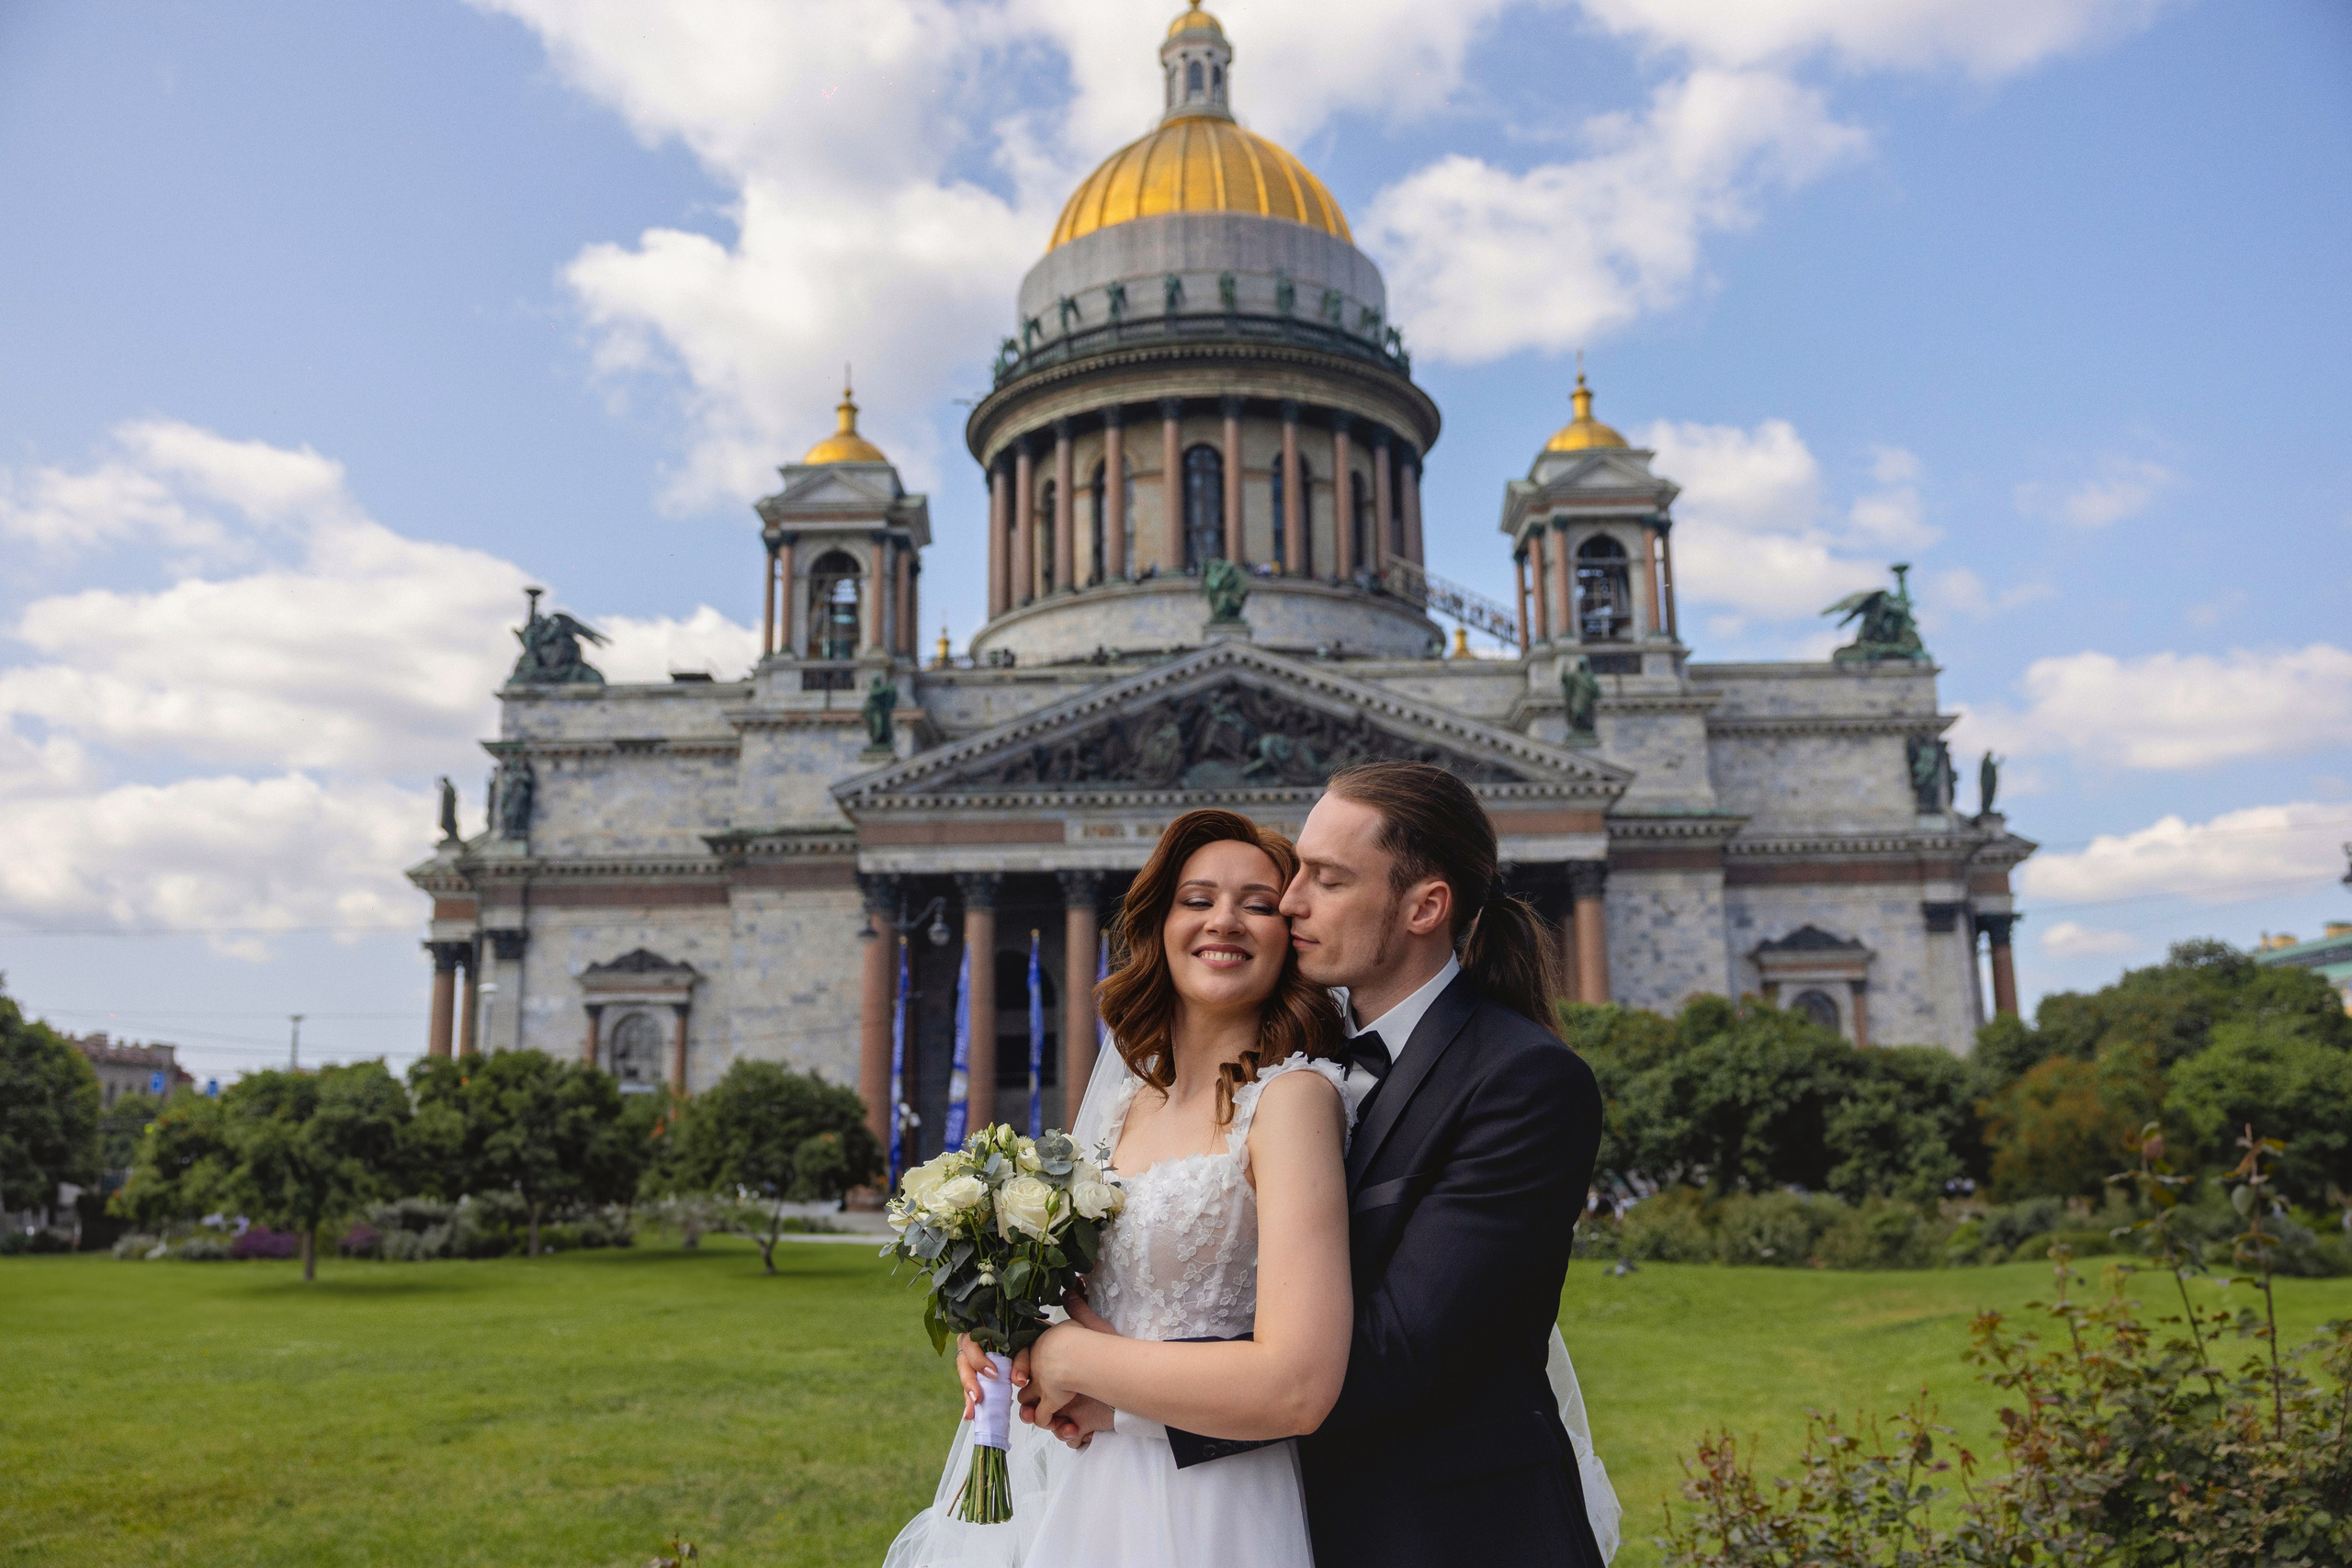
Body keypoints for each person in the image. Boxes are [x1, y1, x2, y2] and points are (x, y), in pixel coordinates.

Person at [887, 808, 1351, 1567]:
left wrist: (1072, 1357)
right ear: (1159, 925)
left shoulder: (1292, 1099)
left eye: (1258, 904)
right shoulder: (1125, 1106)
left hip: (1218, 1507)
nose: (1224, 920)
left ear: (1290, 934)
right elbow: (1088, 1299)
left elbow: (1296, 1383)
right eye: (1197, 899)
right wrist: (1003, 1335)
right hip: (1094, 1479)